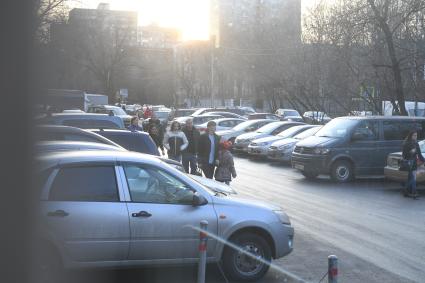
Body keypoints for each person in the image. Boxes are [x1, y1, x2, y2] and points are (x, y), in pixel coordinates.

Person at [402, 130, 424, 199]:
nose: (416, 137)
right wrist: (411, 152)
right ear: (410, 136)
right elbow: (404, 155)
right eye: (414, 135)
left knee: (410, 178)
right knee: (413, 178)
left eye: (416, 135)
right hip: (408, 162)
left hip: (413, 163)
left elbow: (419, 154)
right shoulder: (406, 143)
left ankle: (407, 192)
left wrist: (424, 160)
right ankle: (413, 193)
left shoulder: (416, 143)